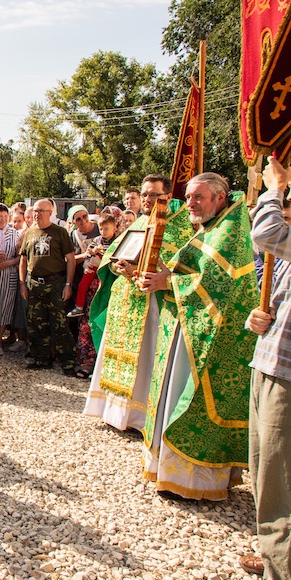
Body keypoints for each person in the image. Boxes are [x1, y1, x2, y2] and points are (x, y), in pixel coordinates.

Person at [137, 173, 258, 501]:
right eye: (189, 197)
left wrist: (167, 283)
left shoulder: (230, 232)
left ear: (220, 198)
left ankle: (195, 480)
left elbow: (219, 285)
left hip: (209, 338)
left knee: (190, 398)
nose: (190, 203)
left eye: (198, 197)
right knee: (172, 391)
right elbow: (189, 271)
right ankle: (168, 470)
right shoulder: (208, 228)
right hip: (185, 327)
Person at [232, 156, 291, 580]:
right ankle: (278, 559)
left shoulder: (282, 230)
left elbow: (265, 232)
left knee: (282, 486)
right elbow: (277, 302)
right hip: (271, 363)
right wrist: (260, 318)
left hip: (290, 376)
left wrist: (272, 186)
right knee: (265, 472)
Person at [83, 174, 190, 432]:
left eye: (153, 194)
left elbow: (176, 266)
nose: (147, 199)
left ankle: (140, 418)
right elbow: (113, 254)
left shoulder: (178, 226)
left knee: (146, 360)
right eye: (144, 194)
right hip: (125, 302)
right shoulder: (139, 223)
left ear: (168, 196)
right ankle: (114, 412)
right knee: (118, 356)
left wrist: (139, 271)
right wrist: (118, 266)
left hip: (152, 305)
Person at [19, 198, 76, 375]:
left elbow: (71, 259)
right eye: (35, 211)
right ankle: (41, 359)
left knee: (60, 324)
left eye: (41, 211)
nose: (37, 214)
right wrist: (22, 284)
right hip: (34, 284)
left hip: (56, 283)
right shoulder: (30, 232)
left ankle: (68, 362)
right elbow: (23, 260)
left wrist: (68, 284)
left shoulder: (59, 232)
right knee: (36, 324)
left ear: (50, 213)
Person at [71, 211, 120, 379]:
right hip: (91, 291)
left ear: (115, 227)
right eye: (101, 228)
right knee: (87, 325)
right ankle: (85, 363)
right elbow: (88, 254)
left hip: (108, 289)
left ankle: (103, 367)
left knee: (105, 326)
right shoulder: (96, 241)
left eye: (107, 228)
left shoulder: (120, 242)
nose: (104, 232)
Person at [0, 203, 25, 356]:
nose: (2, 219)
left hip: (8, 276)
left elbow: (21, 257)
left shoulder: (15, 234)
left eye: (5, 216)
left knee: (5, 308)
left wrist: (9, 262)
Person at [66, 206, 100, 318]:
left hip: (100, 278)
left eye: (84, 216)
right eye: (78, 219)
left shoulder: (100, 228)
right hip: (81, 278)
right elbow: (68, 259)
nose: (83, 220)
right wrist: (85, 255)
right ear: (73, 222)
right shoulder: (71, 236)